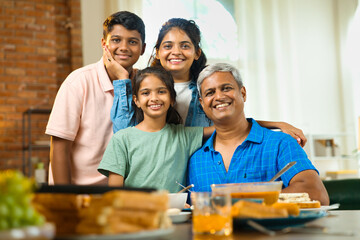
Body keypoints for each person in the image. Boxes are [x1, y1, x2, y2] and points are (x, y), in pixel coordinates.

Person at [110, 18, 307, 146]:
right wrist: (121, 79)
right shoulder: (145, 87)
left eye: (185, 46)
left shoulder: (206, 90)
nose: (176, 52)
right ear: (158, 52)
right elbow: (123, 132)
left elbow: (230, 124)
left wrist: (276, 124)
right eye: (168, 46)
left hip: (200, 169)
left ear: (197, 53)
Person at [187, 63, 329, 205]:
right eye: (210, 93)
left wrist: (243, 202)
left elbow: (315, 194)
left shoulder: (281, 144)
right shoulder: (196, 160)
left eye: (226, 88)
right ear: (202, 104)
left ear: (243, 93)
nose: (219, 96)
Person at [45, 11, 146, 185]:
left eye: (132, 42)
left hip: (125, 193)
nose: (124, 47)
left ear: (143, 48)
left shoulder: (145, 84)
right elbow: (59, 148)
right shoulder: (78, 82)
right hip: (82, 194)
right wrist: (66, 199)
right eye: (116, 40)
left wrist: (123, 78)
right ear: (104, 44)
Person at [98, 67, 213, 192]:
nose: (154, 98)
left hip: (175, 211)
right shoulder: (121, 139)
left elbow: (223, 128)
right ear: (136, 100)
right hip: (136, 210)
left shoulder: (184, 135)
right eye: (146, 93)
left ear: (172, 99)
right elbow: (115, 193)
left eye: (161, 92)